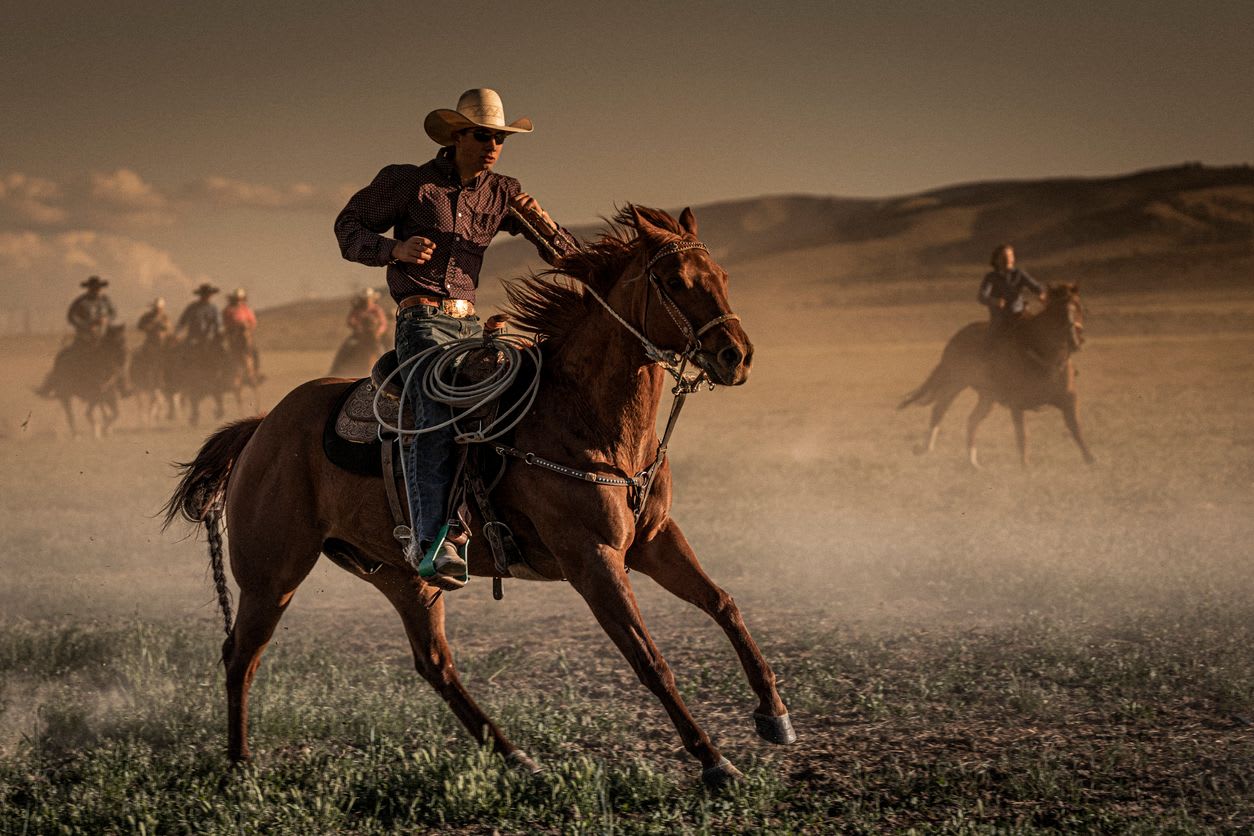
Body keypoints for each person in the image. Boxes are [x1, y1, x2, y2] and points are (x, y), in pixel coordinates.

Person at [334, 88, 579, 588]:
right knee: (436, 412)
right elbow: (347, 226)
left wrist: (578, 252)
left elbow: (561, 249)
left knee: (527, 394)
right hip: (421, 322)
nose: (493, 146)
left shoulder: (504, 192)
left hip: (470, 324)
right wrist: (394, 248)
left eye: (500, 139)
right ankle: (432, 539)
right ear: (457, 136)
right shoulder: (409, 183)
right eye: (484, 135)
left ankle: (510, 517)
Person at [36, 276, 117, 397]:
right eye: (94, 288)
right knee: (64, 357)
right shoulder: (80, 302)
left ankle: (123, 385)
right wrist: (86, 325)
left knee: (118, 356)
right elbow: (71, 317)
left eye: (99, 288)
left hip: (103, 337)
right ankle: (53, 383)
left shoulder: (106, 301)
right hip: (84, 337)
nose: (97, 290)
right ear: (89, 288)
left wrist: (106, 320)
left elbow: (113, 313)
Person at [978, 244, 1045, 334]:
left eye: (1010, 256)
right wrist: (994, 301)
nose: (1007, 259)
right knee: (991, 339)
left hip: (1019, 314)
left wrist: (1041, 294)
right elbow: (982, 296)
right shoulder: (991, 277)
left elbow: (1035, 286)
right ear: (996, 260)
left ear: (1013, 258)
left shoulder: (1019, 274)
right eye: (1003, 257)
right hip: (999, 318)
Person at [222, 287, 262, 381]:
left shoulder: (247, 310)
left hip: (246, 334)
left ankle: (256, 372)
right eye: (237, 299)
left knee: (255, 352)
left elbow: (253, 322)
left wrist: (247, 326)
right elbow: (225, 323)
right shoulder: (228, 310)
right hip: (233, 335)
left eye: (241, 299)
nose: (239, 301)